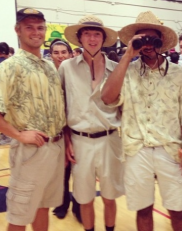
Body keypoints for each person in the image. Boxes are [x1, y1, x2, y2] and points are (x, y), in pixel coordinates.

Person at [101, 10, 182, 231]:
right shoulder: (127, 71)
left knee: (177, 208)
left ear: (161, 42)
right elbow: (107, 97)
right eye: (141, 39)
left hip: (170, 148)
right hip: (137, 149)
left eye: (151, 39)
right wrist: (128, 55)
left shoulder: (179, 73)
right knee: (143, 209)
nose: (147, 45)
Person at [0, 8, 65, 231]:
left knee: (43, 207)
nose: (36, 32)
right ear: (17, 30)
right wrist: (18, 135)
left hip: (55, 147)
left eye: (40, 27)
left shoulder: (49, 66)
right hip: (31, 151)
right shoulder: (9, 67)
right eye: (29, 27)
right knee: (19, 214)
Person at [60, 14, 124, 231]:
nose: (92, 38)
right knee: (84, 198)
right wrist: (67, 140)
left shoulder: (117, 68)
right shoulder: (66, 68)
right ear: (80, 38)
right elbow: (62, 107)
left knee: (109, 197)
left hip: (110, 140)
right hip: (80, 141)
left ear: (103, 38)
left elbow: (124, 109)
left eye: (97, 34)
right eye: (87, 33)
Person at [48, 38, 82, 222]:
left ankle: (79, 206)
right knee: (62, 170)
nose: (60, 56)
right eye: (56, 52)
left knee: (78, 169)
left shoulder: (76, 73)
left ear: (70, 54)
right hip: (57, 130)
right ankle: (62, 204)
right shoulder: (48, 75)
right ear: (51, 55)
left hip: (75, 128)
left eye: (64, 52)